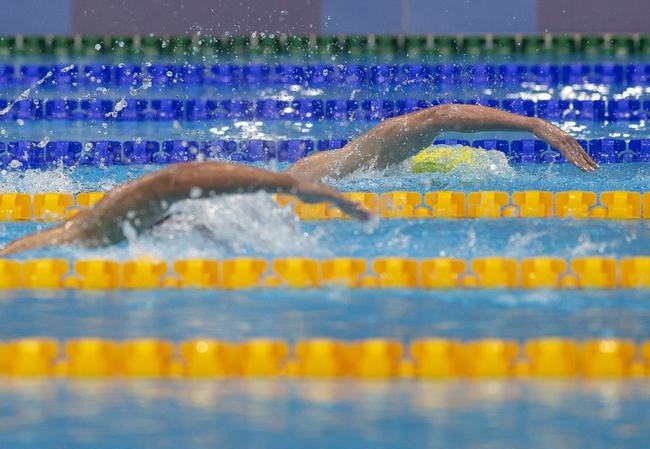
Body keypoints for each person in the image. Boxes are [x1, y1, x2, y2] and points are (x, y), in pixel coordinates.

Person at [0, 104, 598, 256]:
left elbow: (433, 120)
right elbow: (174, 183)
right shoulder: (77, 242)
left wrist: (533, 125)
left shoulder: (322, 171)